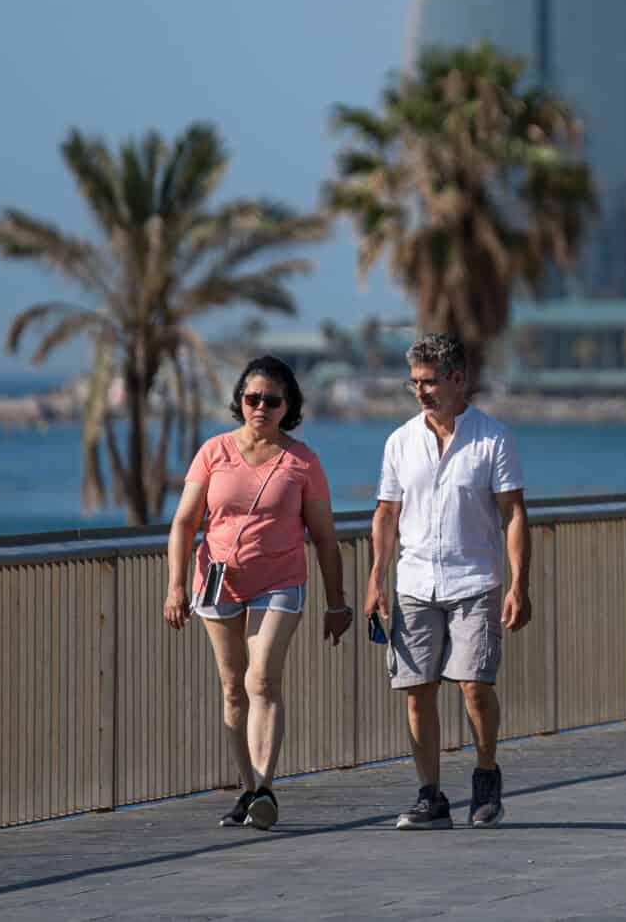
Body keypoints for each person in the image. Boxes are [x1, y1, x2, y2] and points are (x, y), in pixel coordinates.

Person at [163, 356, 350, 830]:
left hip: (280, 582)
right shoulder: (213, 452)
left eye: (272, 400)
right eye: (252, 399)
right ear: (239, 402)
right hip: (217, 581)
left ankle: (266, 786)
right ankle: (247, 789)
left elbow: (325, 536)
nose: (260, 407)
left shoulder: (303, 461)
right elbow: (185, 522)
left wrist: (336, 601)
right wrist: (176, 586)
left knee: (262, 679)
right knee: (232, 687)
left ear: (289, 406)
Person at [365, 333, 531, 830]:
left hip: (475, 581)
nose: (420, 392)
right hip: (413, 583)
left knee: (475, 687)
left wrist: (519, 583)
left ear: (457, 380)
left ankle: (485, 778)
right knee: (418, 691)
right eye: (413, 382)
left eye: (429, 382)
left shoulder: (492, 439)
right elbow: (386, 515)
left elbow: (514, 514)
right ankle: (430, 796)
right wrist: (376, 578)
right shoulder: (399, 442)